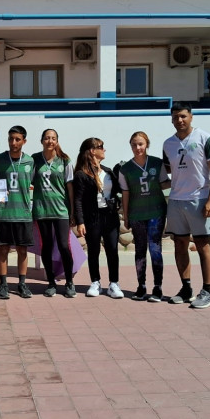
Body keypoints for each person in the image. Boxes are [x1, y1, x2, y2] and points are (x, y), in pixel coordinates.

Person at [162, 102, 210, 309]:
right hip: (177, 200)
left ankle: (208, 291)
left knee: (202, 244)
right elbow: (170, 173)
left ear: (191, 117)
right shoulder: (168, 144)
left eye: (183, 116)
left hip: (200, 199)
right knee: (180, 244)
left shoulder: (206, 138)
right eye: (176, 116)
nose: (179, 120)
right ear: (171, 119)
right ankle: (186, 288)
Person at [119, 131, 169, 303]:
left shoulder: (157, 163)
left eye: (140, 144)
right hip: (137, 214)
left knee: (155, 249)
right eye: (134, 144)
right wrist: (125, 216)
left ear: (147, 144)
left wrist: (182, 175)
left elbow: (164, 184)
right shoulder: (125, 169)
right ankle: (141, 286)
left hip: (156, 212)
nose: (137, 147)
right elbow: (125, 194)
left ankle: (158, 287)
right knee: (140, 250)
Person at [73, 137, 123, 299]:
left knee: (112, 250)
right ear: (92, 151)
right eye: (101, 147)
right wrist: (80, 221)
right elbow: (78, 200)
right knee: (94, 251)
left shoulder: (108, 172)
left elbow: (118, 191)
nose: (104, 150)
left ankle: (114, 283)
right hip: (92, 218)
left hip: (110, 217)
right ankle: (95, 282)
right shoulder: (81, 174)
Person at [32, 129, 76, 298]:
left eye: (53, 138)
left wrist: (72, 211)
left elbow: (70, 187)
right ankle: (50, 282)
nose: (50, 141)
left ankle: (69, 282)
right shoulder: (34, 159)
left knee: (64, 246)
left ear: (57, 141)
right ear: (41, 140)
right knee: (47, 247)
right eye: (47, 138)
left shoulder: (65, 161)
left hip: (61, 210)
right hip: (42, 210)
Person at [0, 125, 34, 299]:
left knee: (22, 251)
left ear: (24, 141)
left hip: (23, 213)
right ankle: (3, 285)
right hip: (4, 213)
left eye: (17, 139)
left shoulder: (30, 161)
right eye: (11, 139)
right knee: (3, 250)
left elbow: (31, 183)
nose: (13, 142)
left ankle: (22, 284)